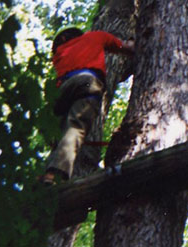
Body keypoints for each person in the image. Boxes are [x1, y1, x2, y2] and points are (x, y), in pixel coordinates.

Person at [39, 28, 134, 185]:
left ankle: (47, 171)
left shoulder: (59, 53)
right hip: (87, 82)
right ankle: (54, 175)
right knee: (75, 128)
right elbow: (126, 47)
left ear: (62, 39)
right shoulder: (96, 36)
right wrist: (134, 44)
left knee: (59, 132)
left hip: (62, 90)